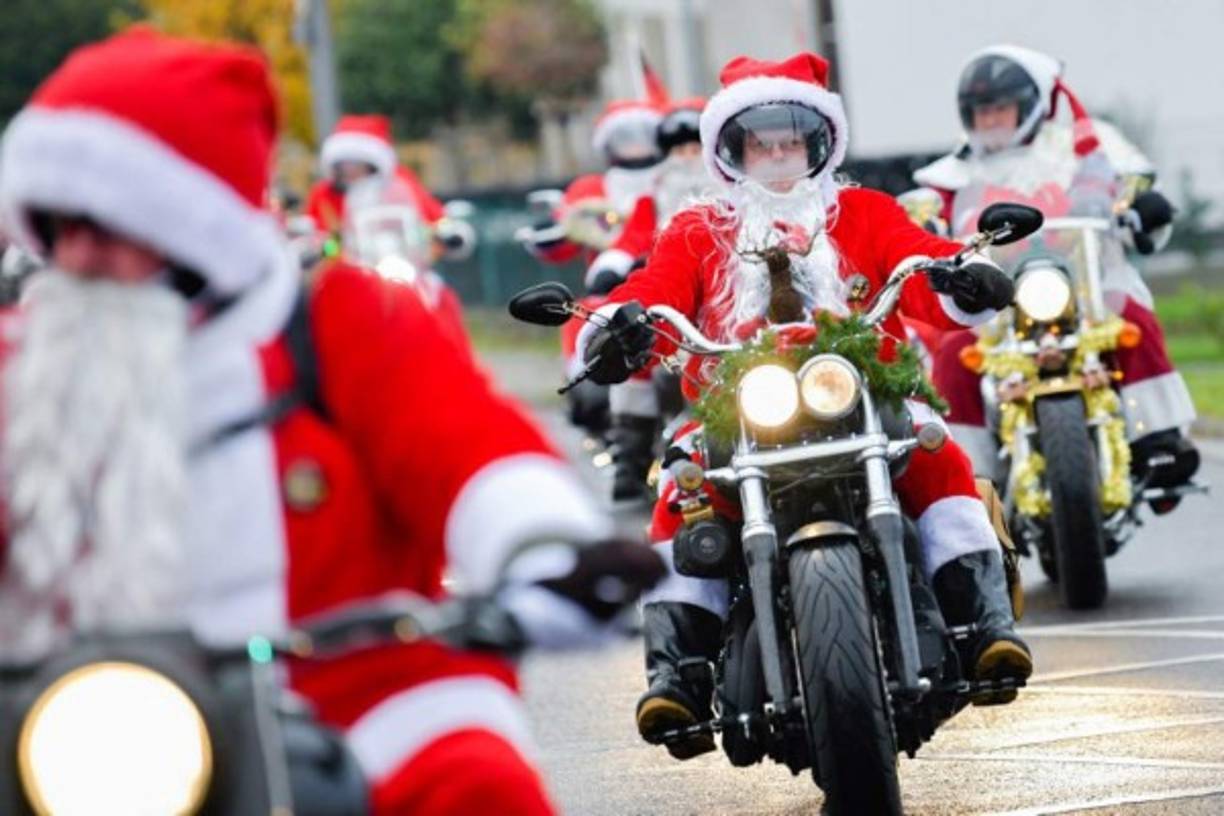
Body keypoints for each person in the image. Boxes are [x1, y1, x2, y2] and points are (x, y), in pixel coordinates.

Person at [0, 28, 663, 814]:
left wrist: (544, 549)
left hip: (353, 696)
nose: (77, 257)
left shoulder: (333, 320)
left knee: (476, 784)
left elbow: (465, 445)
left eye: (109, 227)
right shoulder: (23, 363)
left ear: (190, 225)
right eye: (61, 228)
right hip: (83, 719)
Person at [573, 52, 1032, 759]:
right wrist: (619, 325)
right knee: (680, 486)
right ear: (733, 151)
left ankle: (985, 628)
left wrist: (962, 273)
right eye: (762, 144)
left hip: (866, 390)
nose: (779, 157)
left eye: (792, 141)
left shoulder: (864, 212)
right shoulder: (696, 228)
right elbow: (655, 292)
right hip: (733, 405)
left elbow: (918, 255)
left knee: (934, 447)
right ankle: (679, 675)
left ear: (820, 144)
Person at [909, 45, 1197, 495]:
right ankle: (969, 477)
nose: (990, 119)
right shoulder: (955, 173)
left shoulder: (1086, 146)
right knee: (953, 353)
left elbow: (1131, 186)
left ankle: (1156, 438)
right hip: (998, 303)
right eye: (981, 110)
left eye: (1000, 107)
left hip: (1088, 288)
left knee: (1134, 318)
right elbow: (920, 213)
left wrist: (1143, 210)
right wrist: (922, 231)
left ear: (1030, 105)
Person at [584, 98, 715, 502]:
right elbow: (635, 236)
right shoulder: (655, 197)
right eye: (678, 150)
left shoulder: (731, 193)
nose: (687, 158)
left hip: (723, 304)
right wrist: (613, 264)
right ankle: (632, 454)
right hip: (675, 306)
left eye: (694, 148)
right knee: (639, 352)